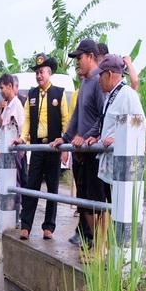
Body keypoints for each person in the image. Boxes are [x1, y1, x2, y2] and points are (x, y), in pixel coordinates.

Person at [86, 54, 146, 255]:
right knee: (110, 209)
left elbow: (141, 126)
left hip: (121, 168)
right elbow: (109, 126)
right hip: (109, 165)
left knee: (120, 210)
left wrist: (119, 140)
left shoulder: (127, 94)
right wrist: (97, 137)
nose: (99, 80)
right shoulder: (111, 96)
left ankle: (121, 257)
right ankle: (109, 253)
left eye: (101, 76)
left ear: (110, 74)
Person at [52, 39, 105, 250]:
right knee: (83, 203)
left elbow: (104, 116)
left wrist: (88, 136)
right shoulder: (84, 83)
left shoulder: (99, 82)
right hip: (80, 153)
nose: (77, 63)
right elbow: (77, 116)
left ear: (91, 56)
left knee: (96, 203)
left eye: (79, 58)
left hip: (94, 153)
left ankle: (101, 246)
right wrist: (64, 137)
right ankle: (95, 243)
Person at [15, 54, 70, 239]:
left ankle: (49, 227)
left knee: (53, 188)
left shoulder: (59, 93)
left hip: (54, 148)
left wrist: (65, 146)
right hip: (38, 148)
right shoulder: (31, 94)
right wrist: (22, 139)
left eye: (42, 72)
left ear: (49, 73)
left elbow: (65, 121)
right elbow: (28, 121)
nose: (39, 75)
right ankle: (26, 225)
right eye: (37, 72)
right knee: (32, 187)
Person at [0, 73, 26, 224]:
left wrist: (19, 149)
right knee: (6, 182)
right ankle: (7, 214)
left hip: (14, 151)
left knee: (15, 183)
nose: (1, 91)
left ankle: (15, 215)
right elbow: (2, 125)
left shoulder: (17, 105)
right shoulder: (8, 105)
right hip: (6, 151)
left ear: (10, 86)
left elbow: (20, 129)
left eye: (2, 88)